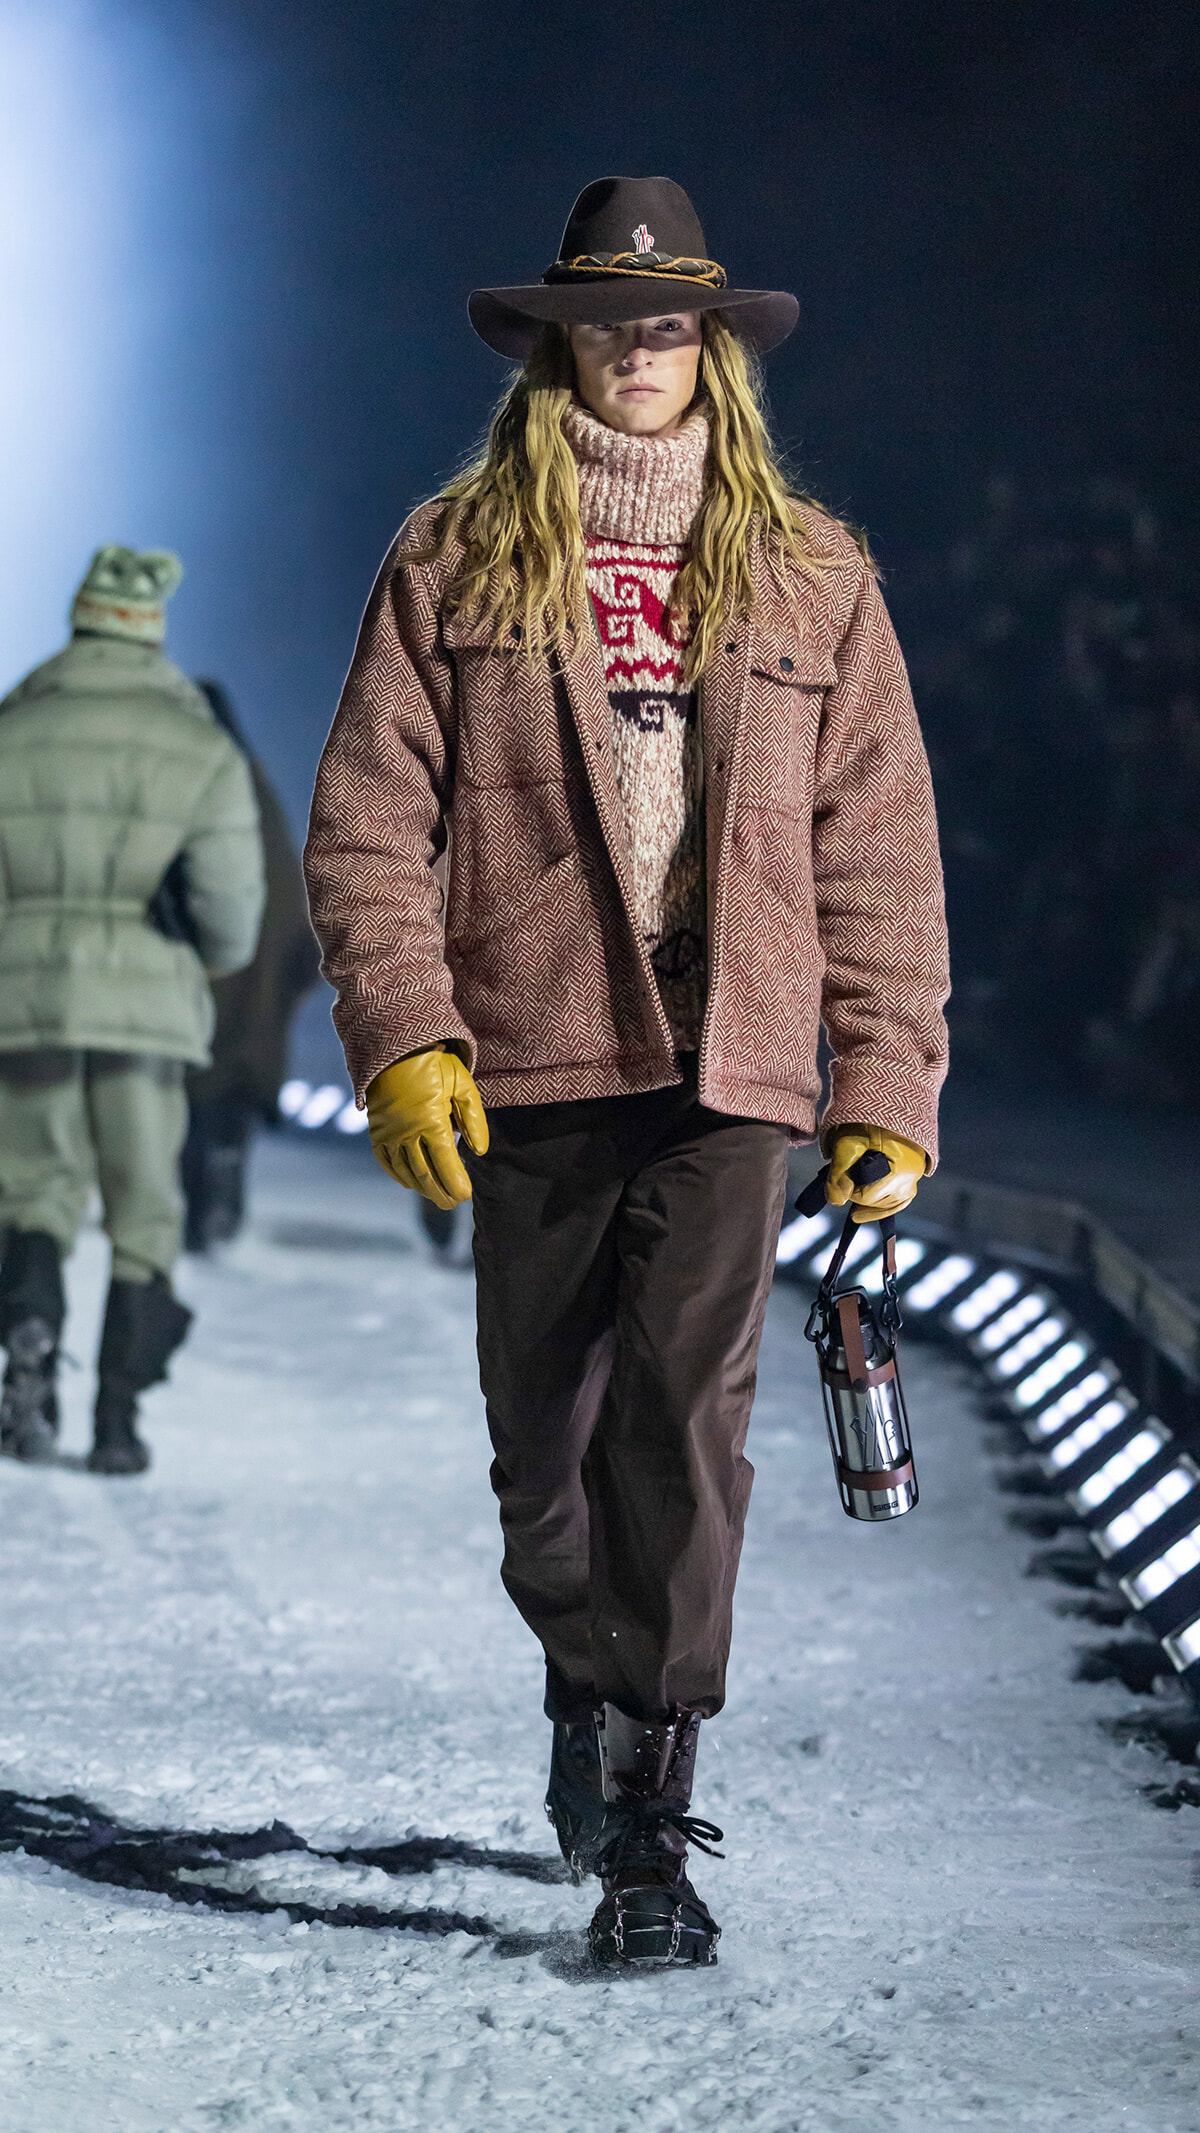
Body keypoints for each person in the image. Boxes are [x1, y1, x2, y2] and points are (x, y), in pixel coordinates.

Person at [305, 176, 949, 1967]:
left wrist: (887, 1080)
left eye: (671, 323)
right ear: (560, 343)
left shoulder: (814, 570)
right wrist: (405, 1033)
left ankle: (653, 1824)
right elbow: (367, 825)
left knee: (690, 1427)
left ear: (715, 348)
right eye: (611, 321)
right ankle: (585, 1688)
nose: (642, 350)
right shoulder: (453, 554)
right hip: (531, 1058)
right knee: (547, 1456)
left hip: (738, 1064)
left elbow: (879, 845)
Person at [0, 547, 265, 1474]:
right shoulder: (199, 746)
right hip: (148, 1005)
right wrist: (198, 951)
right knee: (145, 1205)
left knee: (33, 1187)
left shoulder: (12, 726)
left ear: (78, 623)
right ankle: (117, 1420)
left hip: (25, 994)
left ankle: (28, 1323)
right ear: (150, 627)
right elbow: (234, 913)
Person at [182, 680, 321, 1251]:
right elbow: (289, 886)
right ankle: (224, 1179)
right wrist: (292, 963)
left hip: (202, 970)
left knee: (190, 1096)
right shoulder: (254, 785)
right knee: (231, 1097)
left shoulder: (188, 782)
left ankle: (201, 1208)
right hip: (257, 981)